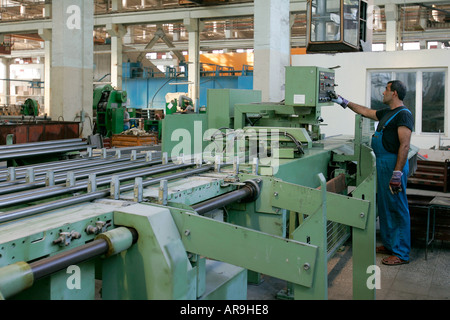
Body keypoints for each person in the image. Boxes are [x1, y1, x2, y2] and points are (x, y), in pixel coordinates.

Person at [329, 80, 414, 266]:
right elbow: (365, 111)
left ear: (394, 93)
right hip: (383, 164)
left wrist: (397, 172)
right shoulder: (388, 113)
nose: (383, 92)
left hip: (393, 164)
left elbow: (405, 145)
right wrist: (343, 101)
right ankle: (391, 244)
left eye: (386, 89)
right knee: (385, 206)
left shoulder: (404, 115)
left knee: (397, 208)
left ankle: (401, 253)